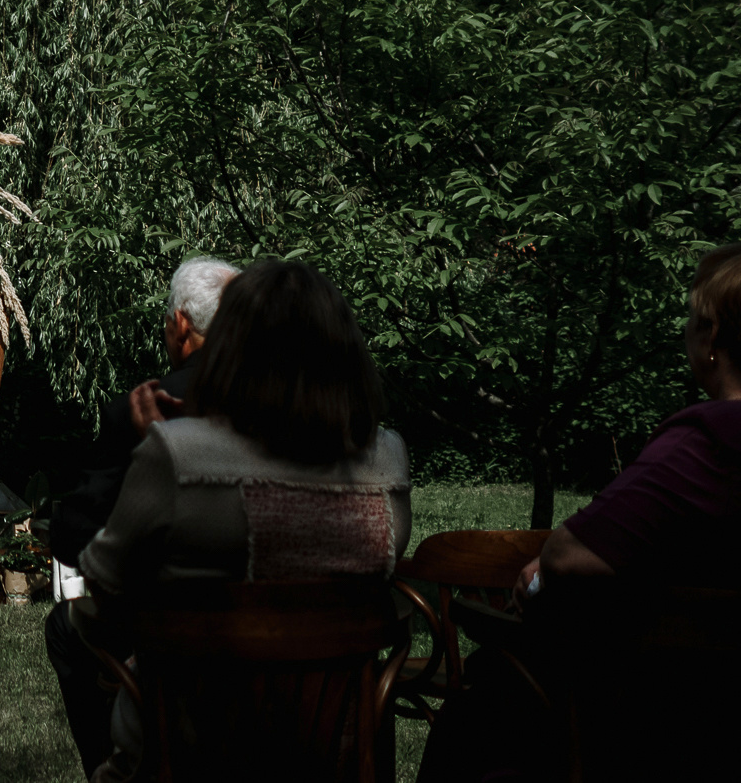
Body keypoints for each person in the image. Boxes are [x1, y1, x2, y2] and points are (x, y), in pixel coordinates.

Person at [76, 258, 410, 783]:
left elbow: (103, 581)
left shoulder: (176, 454)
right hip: (338, 754)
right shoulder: (388, 459)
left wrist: (163, 450)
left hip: (193, 753)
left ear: (233, 346)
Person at [417, 244, 741, 783]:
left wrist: (545, 571)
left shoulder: (705, 441)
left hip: (652, 717)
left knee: (483, 702)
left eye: (691, 318)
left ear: (711, 339)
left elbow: (568, 558)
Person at [44, 254, 236, 774]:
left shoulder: (146, 408)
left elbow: (75, 537)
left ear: (180, 325)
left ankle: (117, 769)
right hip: (282, 636)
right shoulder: (285, 409)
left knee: (66, 627)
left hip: (173, 633)